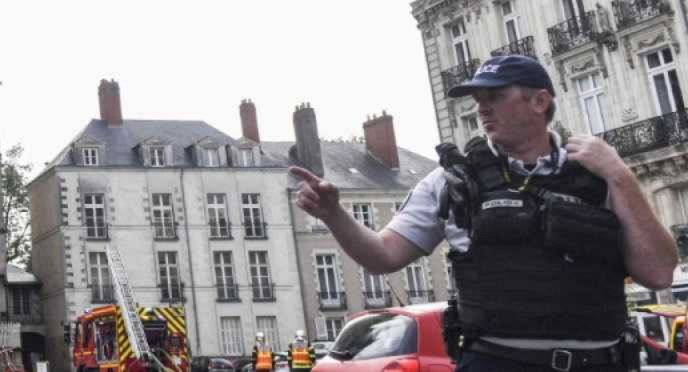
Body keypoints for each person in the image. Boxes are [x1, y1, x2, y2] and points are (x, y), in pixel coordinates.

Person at [290, 54, 678, 372]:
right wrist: (334, 214)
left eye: (495, 95)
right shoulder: (453, 180)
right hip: (497, 361)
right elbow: (383, 255)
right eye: (477, 99)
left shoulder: (598, 173)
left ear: (539, 101)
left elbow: (658, 272)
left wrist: (620, 175)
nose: (481, 108)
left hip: (598, 362)